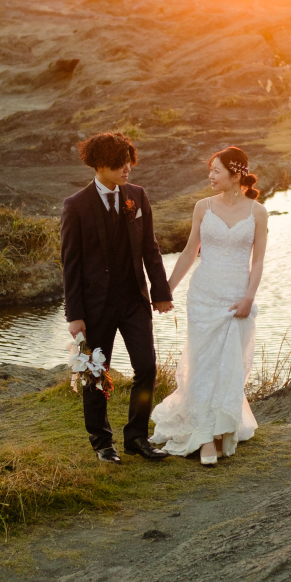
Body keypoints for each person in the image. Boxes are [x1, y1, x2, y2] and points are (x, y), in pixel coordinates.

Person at [60, 130, 174, 465]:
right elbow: (71, 264)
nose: (127, 168)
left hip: (134, 301)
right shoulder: (76, 205)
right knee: (96, 373)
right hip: (96, 307)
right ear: (99, 165)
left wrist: (161, 292)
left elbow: (151, 250)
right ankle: (102, 442)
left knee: (147, 367)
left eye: (128, 160)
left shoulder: (137, 196)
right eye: (118, 163)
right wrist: (74, 315)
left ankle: (137, 437)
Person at [151, 146, 267, 465]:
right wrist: (166, 290)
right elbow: (190, 253)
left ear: (235, 175)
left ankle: (218, 433)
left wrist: (248, 298)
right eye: (210, 170)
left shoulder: (258, 212)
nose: (210, 176)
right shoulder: (202, 207)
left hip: (236, 298)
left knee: (229, 368)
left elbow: (257, 263)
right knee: (202, 365)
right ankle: (204, 436)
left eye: (216, 171)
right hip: (202, 296)